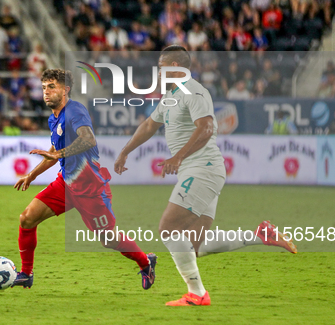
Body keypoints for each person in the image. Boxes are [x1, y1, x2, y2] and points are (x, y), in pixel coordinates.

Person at [114, 46, 297, 307]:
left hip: (203, 168)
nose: (159, 71)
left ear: (175, 65)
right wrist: (125, 152)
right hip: (200, 170)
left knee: (168, 228)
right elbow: (148, 125)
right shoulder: (171, 94)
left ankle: (197, 294)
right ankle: (260, 235)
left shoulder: (195, 91)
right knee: (192, 246)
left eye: (161, 66)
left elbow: (207, 127)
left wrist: (178, 156)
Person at [11, 69, 156, 290]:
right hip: (66, 184)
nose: (46, 92)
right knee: (27, 218)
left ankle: (146, 262)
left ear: (65, 89)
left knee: (109, 239)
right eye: (43, 88)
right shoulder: (54, 118)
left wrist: (59, 155)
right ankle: (26, 273)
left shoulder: (75, 110)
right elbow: (54, 151)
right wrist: (32, 175)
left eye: (52, 87)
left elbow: (87, 139)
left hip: (90, 189)